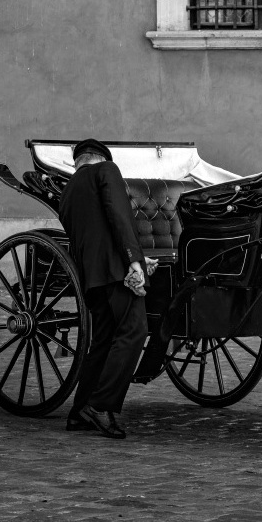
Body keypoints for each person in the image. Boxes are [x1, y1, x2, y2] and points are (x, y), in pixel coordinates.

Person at [59, 138, 156, 439]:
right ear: (101, 157)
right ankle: (101, 406)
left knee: (102, 341)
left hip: (90, 278)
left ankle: (79, 412)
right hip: (116, 271)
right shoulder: (106, 171)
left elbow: (94, 230)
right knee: (134, 330)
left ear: (79, 161)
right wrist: (134, 261)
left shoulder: (67, 192)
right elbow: (119, 216)